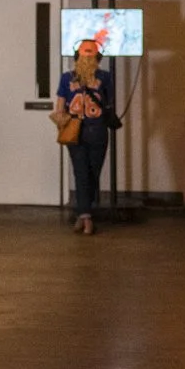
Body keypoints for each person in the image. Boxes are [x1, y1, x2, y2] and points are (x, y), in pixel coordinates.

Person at [54, 38, 115, 235]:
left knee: (83, 173)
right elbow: (109, 103)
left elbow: (59, 107)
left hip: (77, 130)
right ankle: (86, 216)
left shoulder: (66, 78)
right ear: (98, 57)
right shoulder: (105, 77)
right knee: (89, 173)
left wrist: (61, 125)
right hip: (95, 131)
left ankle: (83, 215)